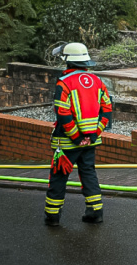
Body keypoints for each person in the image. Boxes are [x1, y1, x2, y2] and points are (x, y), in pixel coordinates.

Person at [44, 42, 113, 226]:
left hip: (67, 142)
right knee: (88, 173)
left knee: (59, 177)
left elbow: (63, 113)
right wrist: (92, 135)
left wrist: (76, 137)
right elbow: (107, 109)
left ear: (67, 61)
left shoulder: (64, 83)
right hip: (90, 141)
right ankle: (95, 211)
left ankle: (53, 216)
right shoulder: (98, 82)